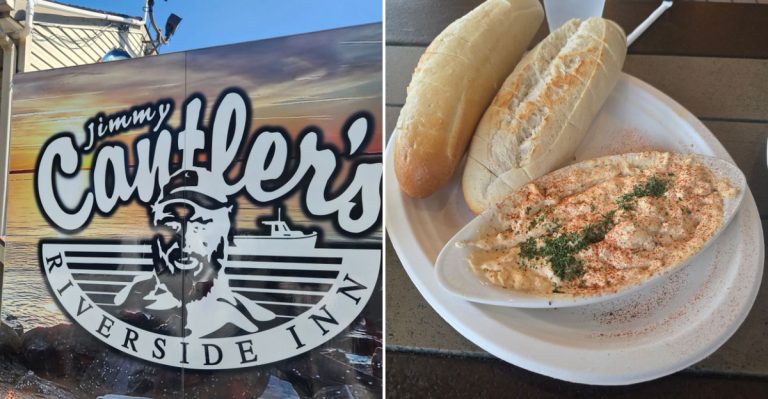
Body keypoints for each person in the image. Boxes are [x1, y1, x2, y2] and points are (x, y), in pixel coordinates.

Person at [113, 168, 275, 338]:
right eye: (171, 223)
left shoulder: (253, 319)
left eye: (201, 223)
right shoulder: (127, 301)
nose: (185, 237)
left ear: (226, 234)